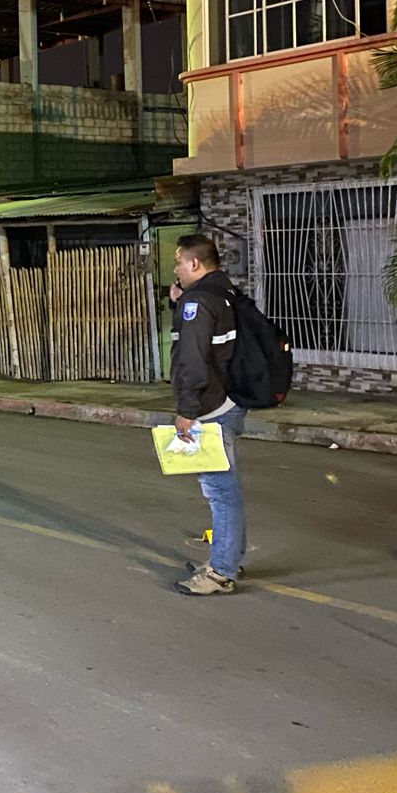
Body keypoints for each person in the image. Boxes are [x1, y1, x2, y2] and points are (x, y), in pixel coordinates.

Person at [169, 233, 247, 597]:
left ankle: (221, 572)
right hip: (230, 399)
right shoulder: (225, 292)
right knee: (221, 488)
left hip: (211, 407)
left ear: (195, 264)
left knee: (220, 490)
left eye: (178, 262)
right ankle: (227, 558)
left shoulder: (199, 302)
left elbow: (193, 360)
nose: (176, 269)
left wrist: (187, 411)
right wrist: (179, 304)